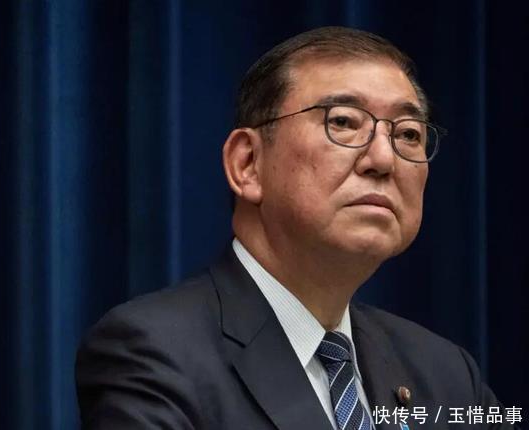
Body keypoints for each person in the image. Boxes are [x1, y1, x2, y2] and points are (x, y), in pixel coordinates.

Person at [76, 27, 516, 429]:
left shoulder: (445, 374)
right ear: (248, 163)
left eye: (408, 134)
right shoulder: (154, 351)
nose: (383, 159)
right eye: (343, 122)